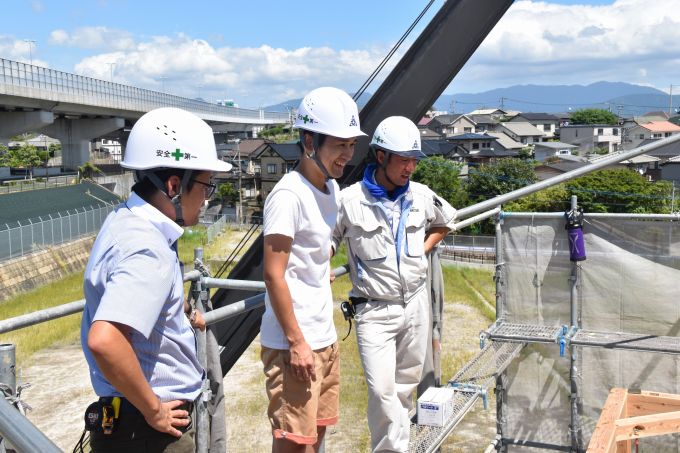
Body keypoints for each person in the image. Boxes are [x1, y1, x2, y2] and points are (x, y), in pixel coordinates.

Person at [80, 107, 232, 452]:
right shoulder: (147, 248)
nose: (207, 198)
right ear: (175, 186)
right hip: (147, 430)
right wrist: (154, 411)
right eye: (206, 185)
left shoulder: (124, 221)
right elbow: (105, 340)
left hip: (128, 421)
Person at [332, 116, 457, 453]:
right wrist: (317, 270)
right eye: (404, 159)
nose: (410, 168)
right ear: (381, 156)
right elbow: (326, 243)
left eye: (414, 160)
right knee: (382, 393)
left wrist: (421, 249)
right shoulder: (349, 201)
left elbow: (446, 221)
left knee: (405, 387)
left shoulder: (420, 195)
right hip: (374, 310)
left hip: (416, 303)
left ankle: (397, 448)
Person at [260, 86, 365, 453]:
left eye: (352, 145)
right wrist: (297, 342)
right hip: (295, 345)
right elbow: (273, 273)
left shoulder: (330, 190)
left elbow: (315, 246)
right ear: (309, 141)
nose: (348, 156)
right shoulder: (288, 196)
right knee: (293, 443)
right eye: (340, 145)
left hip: (323, 337)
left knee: (317, 437)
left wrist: (323, 263)